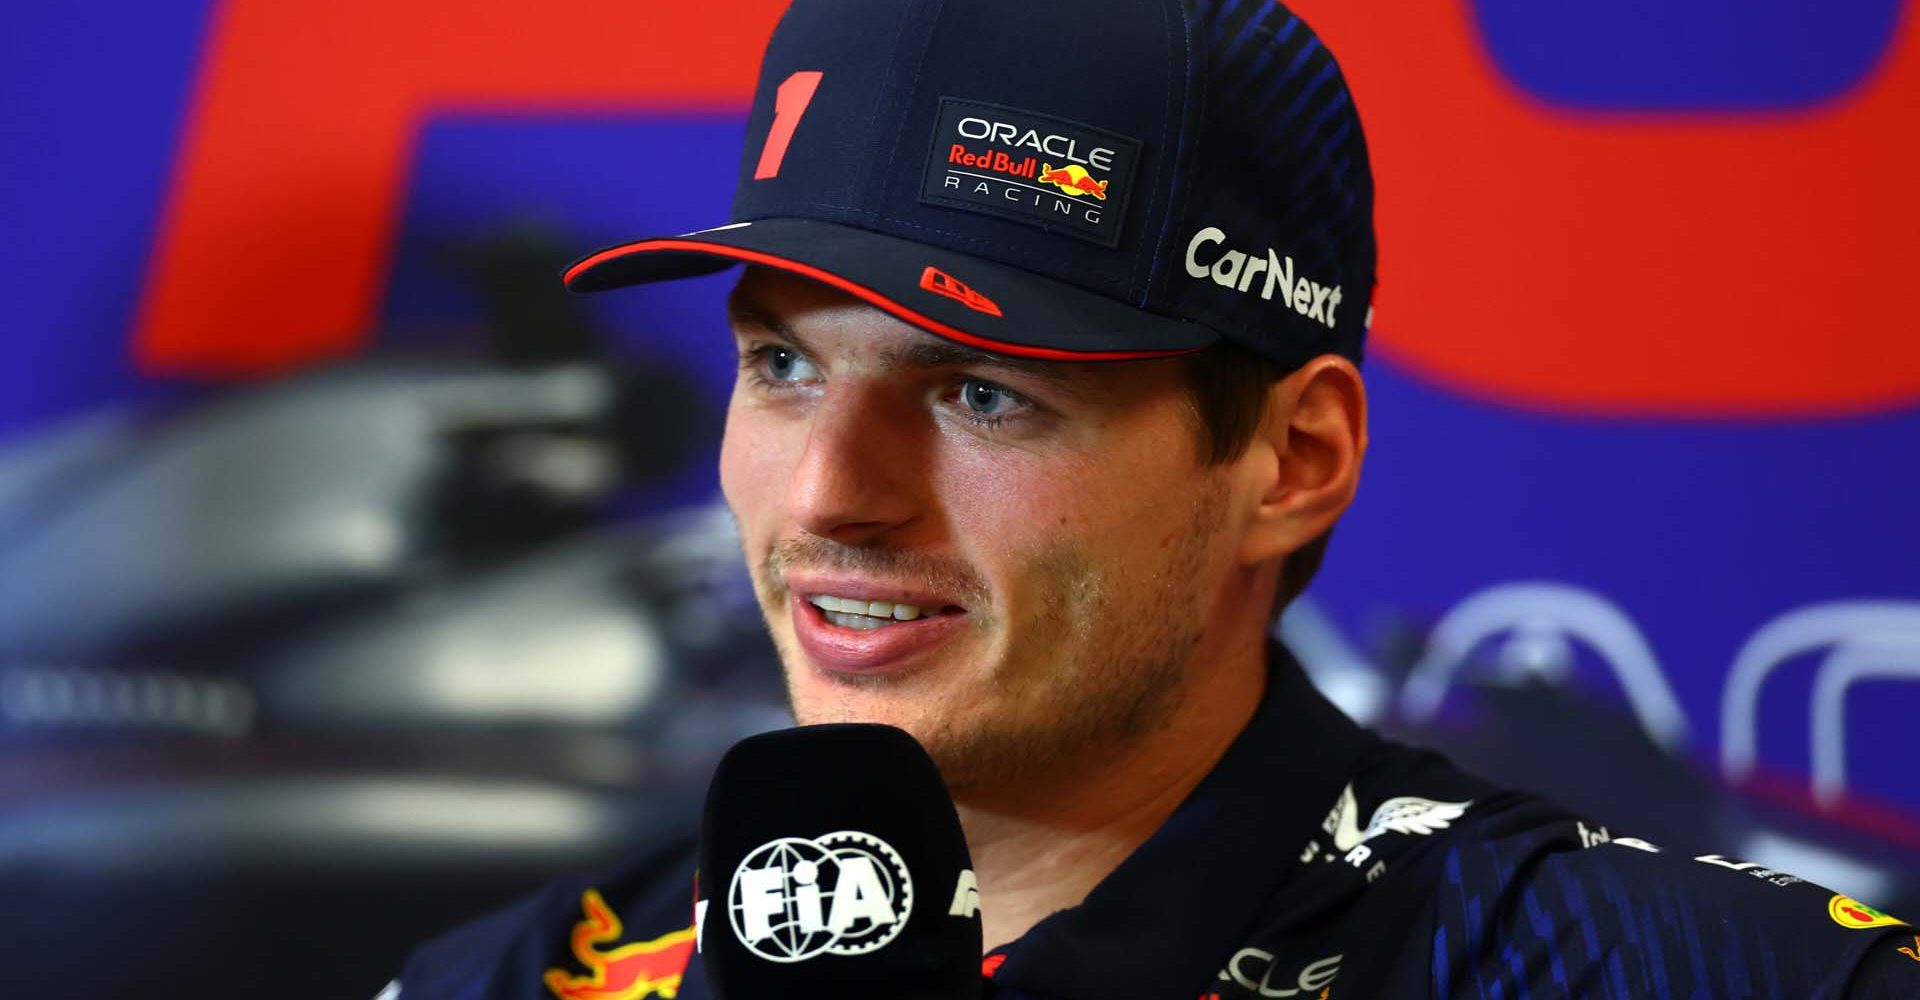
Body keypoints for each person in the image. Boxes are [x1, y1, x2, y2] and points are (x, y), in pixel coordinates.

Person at [386, 0, 1918, 997]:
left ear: (1291, 462)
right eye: (785, 368)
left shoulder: (1674, 977)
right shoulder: (506, 985)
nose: (829, 495)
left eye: (985, 392)